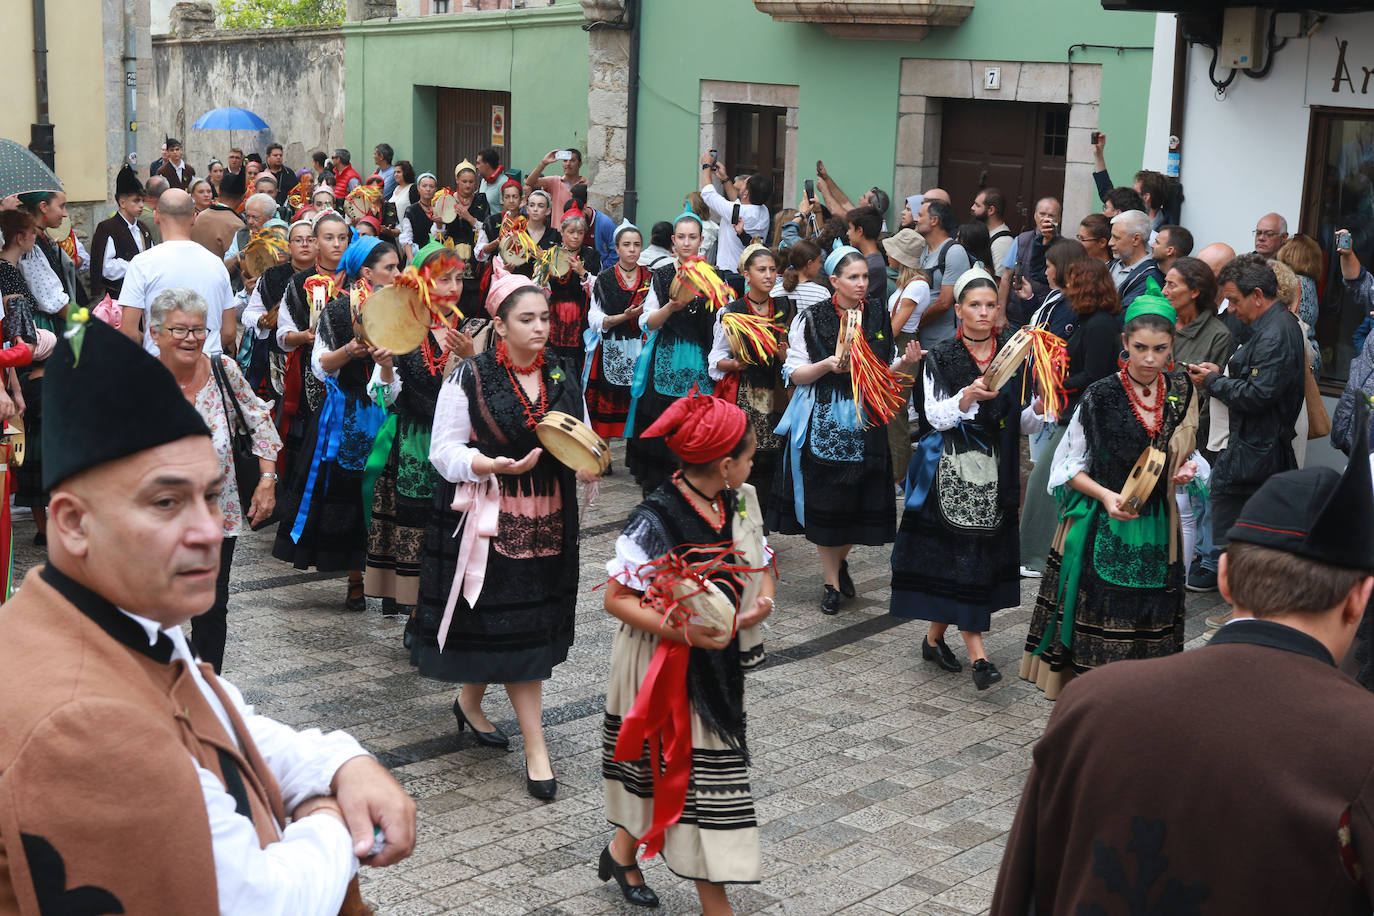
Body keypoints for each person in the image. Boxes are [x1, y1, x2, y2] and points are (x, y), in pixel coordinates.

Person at [0, 311, 415, 913]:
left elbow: (213, 710)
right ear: (73, 522)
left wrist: (338, 762)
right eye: (166, 502)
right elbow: (256, 904)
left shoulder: (104, 614)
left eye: (213, 495)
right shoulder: (80, 718)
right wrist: (326, 813)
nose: (206, 529)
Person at [993, 445, 1374, 914]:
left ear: (1225, 577)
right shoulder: (1363, 739)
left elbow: (1025, 888)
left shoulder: (1094, 701)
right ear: (1360, 599)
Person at [601, 392, 774, 912]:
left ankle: (621, 852)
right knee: (692, 779)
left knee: (665, 773)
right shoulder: (656, 518)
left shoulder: (736, 499)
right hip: (661, 661)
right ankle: (716, 907)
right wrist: (687, 634)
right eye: (749, 456)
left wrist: (761, 600)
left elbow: (759, 559)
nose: (752, 464)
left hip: (714, 657)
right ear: (724, 465)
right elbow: (617, 599)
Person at [416, 282, 590, 799]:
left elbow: (578, 432)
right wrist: (486, 463)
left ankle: (470, 703)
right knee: (512, 627)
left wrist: (587, 461)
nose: (540, 328)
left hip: (549, 515)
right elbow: (443, 450)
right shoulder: (470, 376)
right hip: (490, 518)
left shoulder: (560, 370)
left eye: (544, 318)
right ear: (500, 324)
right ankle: (537, 750)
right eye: (527, 319)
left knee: (517, 624)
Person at [1021, 285, 1198, 699]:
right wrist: (1105, 496)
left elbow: (1189, 451)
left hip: (1158, 524)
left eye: (1160, 349)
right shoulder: (1100, 395)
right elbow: (1067, 467)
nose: (1150, 358)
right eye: (1140, 348)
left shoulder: (1182, 390)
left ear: (1172, 345)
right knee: (1101, 615)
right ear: (1125, 343)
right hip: (1103, 520)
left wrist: (1187, 469)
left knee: (1151, 617)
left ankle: (1140, 700)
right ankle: (1096, 701)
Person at [892, 268, 1040, 689]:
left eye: (990, 305)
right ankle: (979, 658)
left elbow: (1021, 423)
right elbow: (934, 417)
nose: (984, 312)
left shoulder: (1013, 355)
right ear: (958, 310)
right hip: (953, 471)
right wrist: (967, 396)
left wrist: (1042, 406)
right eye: (975, 305)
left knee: (970, 560)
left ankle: (933, 639)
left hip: (998, 471)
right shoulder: (941, 356)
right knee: (966, 556)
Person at [769, 249, 922, 613]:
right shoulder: (811, 318)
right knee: (827, 502)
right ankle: (831, 583)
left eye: (865, 277)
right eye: (853, 277)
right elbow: (795, 374)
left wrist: (904, 362)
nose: (862, 283)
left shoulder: (876, 314)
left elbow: (882, 370)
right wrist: (826, 364)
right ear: (834, 281)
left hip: (866, 419)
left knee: (859, 501)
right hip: (825, 418)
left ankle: (839, 563)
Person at [150, 287, 279, 672]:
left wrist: (267, 480)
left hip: (215, 517)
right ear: (156, 333)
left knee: (211, 606)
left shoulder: (225, 371)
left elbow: (260, 423)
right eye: (179, 330)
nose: (190, 338)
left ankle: (209, 689)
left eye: (198, 330)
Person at [272, 239, 396, 610]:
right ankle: (356, 577)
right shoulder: (339, 311)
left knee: (390, 493)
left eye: (399, 267)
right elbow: (319, 365)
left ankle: (396, 580)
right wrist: (350, 352)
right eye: (390, 268)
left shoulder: (405, 312)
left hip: (392, 411)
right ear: (367, 273)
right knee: (351, 493)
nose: (398, 274)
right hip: (349, 412)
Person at [1186, 253, 1305, 627]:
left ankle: (1251, 614)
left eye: (1234, 301)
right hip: (1255, 449)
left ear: (1257, 295)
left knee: (1248, 537)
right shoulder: (1272, 326)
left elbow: (1258, 395)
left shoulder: (1276, 332)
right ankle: (1247, 610)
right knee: (1245, 536)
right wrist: (1221, 375)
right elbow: (1257, 383)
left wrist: (1213, 382)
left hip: (1257, 453)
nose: (1231, 309)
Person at [366, 243, 472, 619]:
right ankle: (417, 614)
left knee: (453, 529)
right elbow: (383, 397)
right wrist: (386, 366)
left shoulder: (473, 329)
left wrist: (472, 358)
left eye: (459, 278)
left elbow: (488, 393)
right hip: (415, 444)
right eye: (444, 279)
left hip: (460, 445)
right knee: (417, 527)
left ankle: (447, 609)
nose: (454, 287)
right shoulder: (403, 328)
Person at [1017, 252, 1125, 578]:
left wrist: (1056, 383)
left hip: (1082, 415)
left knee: (1044, 481)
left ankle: (1038, 557)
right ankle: (1044, 553)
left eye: (1073, 282)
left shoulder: (1100, 324)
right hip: (1075, 413)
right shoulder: (1094, 321)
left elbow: (1094, 374)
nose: (1067, 288)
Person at [624, 208, 721, 496]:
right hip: (666, 355)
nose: (687, 242)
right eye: (681, 237)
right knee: (663, 423)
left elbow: (720, 323)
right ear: (673, 241)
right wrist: (670, 307)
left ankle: (694, 488)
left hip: (701, 359)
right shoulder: (664, 275)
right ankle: (661, 490)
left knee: (696, 424)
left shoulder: (714, 276)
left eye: (692, 237)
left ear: (701, 240)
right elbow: (647, 322)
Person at [1165, 256, 1234, 577]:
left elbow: (1212, 395)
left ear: (1194, 291)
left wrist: (1186, 435)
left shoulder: (1218, 335)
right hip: (1149, 426)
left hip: (1192, 436)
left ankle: (1194, 564)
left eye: (1172, 284)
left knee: (1191, 505)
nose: (1164, 290)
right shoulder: (1161, 321)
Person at [272, 212, 350, 497]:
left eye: (342, 238)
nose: (337, 244)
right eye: (329, 238)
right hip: (311, 373)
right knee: (311, 439)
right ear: (316, 242)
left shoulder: (357, 279)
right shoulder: (299, 283)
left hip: (353, 372)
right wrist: (303, 337)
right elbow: (283, 333)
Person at [708, 245, 791, 513]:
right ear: (746, 274)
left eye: (772, 270)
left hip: (777, 393)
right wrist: (734, 364)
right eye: (761, 270)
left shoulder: (784, 306)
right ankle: (742, 516)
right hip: (747, 392)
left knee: (773, 457)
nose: (768, 275)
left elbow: (795, 352)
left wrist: (785, 356)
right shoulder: (732, 311)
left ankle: (763, 518)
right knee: (746, 456)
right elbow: (716, 357)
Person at [119, 189, 236, 357]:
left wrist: (151, 345)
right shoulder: (217, 264)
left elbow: (129, 332)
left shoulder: (141, 264)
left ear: (156, 216)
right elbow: (229, 332)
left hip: (161, 363)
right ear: (194, 218)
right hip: (207, 363)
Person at [0, 210, 52, 542]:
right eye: (32, 232)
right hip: (19, 363)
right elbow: (18, 334)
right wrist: (44, 343)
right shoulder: (7, 272)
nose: (35, 237)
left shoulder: (10, 269)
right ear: (21, 237)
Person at [586, 221, 650, 442]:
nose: (632, 249)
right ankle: (603, 453)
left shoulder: (650, 278)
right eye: (626, 245)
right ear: (617, 248)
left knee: (638, 411)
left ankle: (636, 454)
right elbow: (594, 318)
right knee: (605, 414)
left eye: (636, 245)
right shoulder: (604, 279)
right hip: (611, 347)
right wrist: (623, 317)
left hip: (642, 348)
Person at [241, 219, 314, 396]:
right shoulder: (271, 276)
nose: (304, 244)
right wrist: (261, 320)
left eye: (310, 239)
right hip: (278, 357)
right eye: (298, 240)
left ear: (318, 244)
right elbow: (248, 314)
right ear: (289, 247)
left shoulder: (327, 275)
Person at [882, 228, 930, 478]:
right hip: (900, 345)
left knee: (895, 415)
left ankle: (899, 476)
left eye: (891, 251)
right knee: (891, 412)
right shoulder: (909, 284)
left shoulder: (917, 286)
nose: (887, 254)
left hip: (904, 347)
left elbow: (895, 327)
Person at [545, 203, 600, 376]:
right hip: (554, 318)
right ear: (562, 232)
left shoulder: (591, 256)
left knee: (575, 366)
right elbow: (541, 290)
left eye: (580, 233)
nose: (576, 237)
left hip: (580, 319)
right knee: (553, 363)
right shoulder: (551, 255)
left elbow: (598, 291)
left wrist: (583, 273)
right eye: (571, 232)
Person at [699, 153, 772, 275]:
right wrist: (724, 179)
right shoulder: (764, 211)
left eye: (744, 184)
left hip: (730, 272)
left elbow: (708, 194)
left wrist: (706, 166)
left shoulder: (738, 211)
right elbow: (738, 201)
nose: (740, 185)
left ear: (746, 193)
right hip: (749, 272)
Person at [89, 164, 152, 302]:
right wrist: (136, 265)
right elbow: (106, 268)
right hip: (118, 297)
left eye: (142, 200)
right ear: (122, 203)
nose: (142, 205)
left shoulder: (143, 228)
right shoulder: (107, 228)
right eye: (136, 201)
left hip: (143, 294)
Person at [914, 199, 971, 350]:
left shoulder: (954, 252)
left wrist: (915, 323)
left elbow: (944, 302)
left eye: (920, 215)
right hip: (922, 340)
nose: (915, 219)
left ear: (934, 220)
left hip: (944, 342)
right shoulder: (923, 250)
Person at [998, 197, 1062, 322]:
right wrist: (1000, 315)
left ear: (1058, 219)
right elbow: (1006, 278)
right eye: (1042, 214)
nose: (1046, 219)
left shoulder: (1063, 246)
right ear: (1035, 216)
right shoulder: (1021, 240)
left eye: (1051, 215)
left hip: (1045, 318)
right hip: (1016, 316)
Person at [443, 160, 490, 317]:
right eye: (464, 181)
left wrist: (470, 218)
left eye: (471, 182)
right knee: (454, 297)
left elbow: (487, 228)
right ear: (457, 180)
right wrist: (439, 223)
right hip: (452, 256)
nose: (468, 185)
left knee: (474, 302)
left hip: (474, 260)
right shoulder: (447, 200)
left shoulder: (481, 201)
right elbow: (440, 232)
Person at [1277, 233, 1324, 379]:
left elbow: (1290, 318)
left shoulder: (1295, 282)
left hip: (1294, 352)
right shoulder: (1311, 283)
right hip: (1310, 350)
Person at [1108, 210, 1166, 309]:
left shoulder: (1150, 278)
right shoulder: (1112, 265)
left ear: (1136, 239)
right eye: (1111, 236)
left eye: (1116, 238)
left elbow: (1125, 313)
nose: (1110, 243)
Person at [526, 148, 586, 229]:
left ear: (580, 164)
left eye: (572, 160)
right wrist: (544, 163)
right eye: (565, 161)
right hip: (557, 232)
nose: (568, 164)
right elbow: (530, 182)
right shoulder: (555, 181)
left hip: (578, 232)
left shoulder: (587, 184)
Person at [192, 180, 247, 262]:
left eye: (209, 191)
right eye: (201, 192)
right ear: (243, 197)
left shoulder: (200, 216)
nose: (206, 195)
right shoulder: (236, 224)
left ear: (219, 192)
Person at [773, 237, 829, 313]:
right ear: (809, 263)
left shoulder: (775, 291)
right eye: (819, 262)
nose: (820, 266)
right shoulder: (821, 294)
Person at [846, 205, 888, 303]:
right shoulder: (869, 260)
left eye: (850, 229)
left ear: (860, 231)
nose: (847, 233)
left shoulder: (873, 266)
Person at [971, 187, 1015, 277]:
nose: (972, 208)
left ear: (991, 210)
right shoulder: (983, 233)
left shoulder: (1002, 242)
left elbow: (998, 281)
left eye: (977, 205)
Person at [398, 172, 439, 261]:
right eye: (424, 186)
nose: (428, 189)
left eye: (431, 186)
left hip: (437, 256)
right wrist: (412, 261)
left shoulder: (440, 208)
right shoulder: (411, 210)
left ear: (435, 189)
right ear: (418, 188)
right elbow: (407, 238)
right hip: (418, 255)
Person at [475, 146, 520, 214]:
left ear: (487, 165)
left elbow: (507, 212)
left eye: (478, 163)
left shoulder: (504, 183)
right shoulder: (483, 181)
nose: (476, 167)